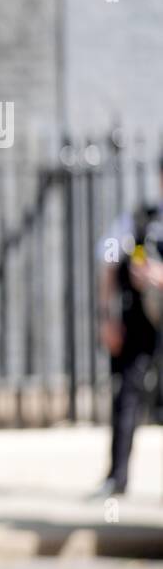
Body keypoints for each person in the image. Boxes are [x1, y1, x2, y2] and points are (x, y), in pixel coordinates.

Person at [94, 156, 163, 498]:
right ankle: (116, 478)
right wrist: (107, 317)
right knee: (126, 398)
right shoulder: (141, 220)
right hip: (140, 324)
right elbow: (106, 257)